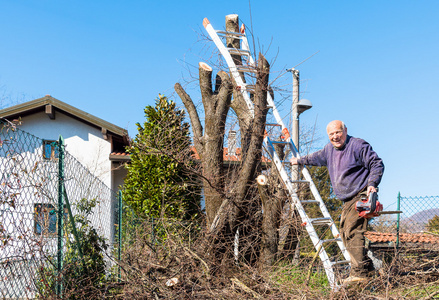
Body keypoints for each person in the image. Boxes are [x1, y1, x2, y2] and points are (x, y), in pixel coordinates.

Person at [290, 120, 384, 284]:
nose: (335, 136)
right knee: (344, 233)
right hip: (347, 200)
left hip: (361, 194)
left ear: (345, 130)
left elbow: (376, 163)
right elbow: (315, 158)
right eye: (331, 134)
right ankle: (369, 268)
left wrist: (371, 185)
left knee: (353, 230)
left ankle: (359, 274)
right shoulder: (328, 150)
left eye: (338, 132)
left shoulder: (357, 145)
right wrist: (299, 161)